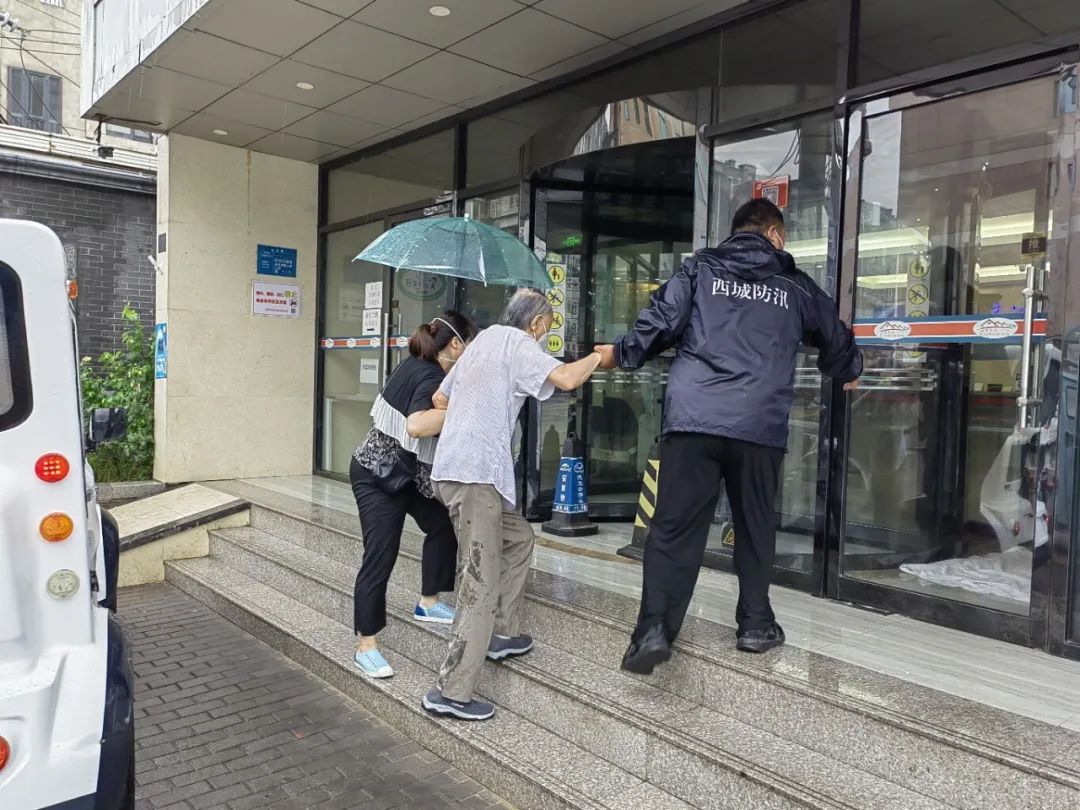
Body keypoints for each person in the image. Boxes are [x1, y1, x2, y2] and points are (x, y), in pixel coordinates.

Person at [596, 198, 862, 672]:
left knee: (674, 528)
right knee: (754, 525)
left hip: (694, 420)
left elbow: (658, 324)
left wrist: (620, 354)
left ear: (736, 232)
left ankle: (654, 631)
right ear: (774, 235)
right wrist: (847, 369)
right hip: (758, 425)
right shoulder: (795, 286)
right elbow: (835, 337)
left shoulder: (699, 271)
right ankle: (756, 625)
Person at [421, 288, 609, 720]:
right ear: (537, 323)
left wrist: (478, 408)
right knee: (479, 580)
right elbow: (567, 379)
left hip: (455, 471)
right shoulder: (520, 344)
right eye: (548, 325)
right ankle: (451, 692)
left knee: (520, 538)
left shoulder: (482, 341)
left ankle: (502, 633)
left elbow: (440, 399)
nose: (546, 332)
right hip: (476, 479)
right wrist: (598, 357)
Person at [350, 310, 478, 679]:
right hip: (377, 476)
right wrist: (465, 408)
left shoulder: (418, 363)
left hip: (407, 477)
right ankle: (366, 646)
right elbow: (417, 425)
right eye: (470, 345)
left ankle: (428, 602)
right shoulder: (430, 375)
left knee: (442, 525)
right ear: (456, 345)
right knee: (380, 555)